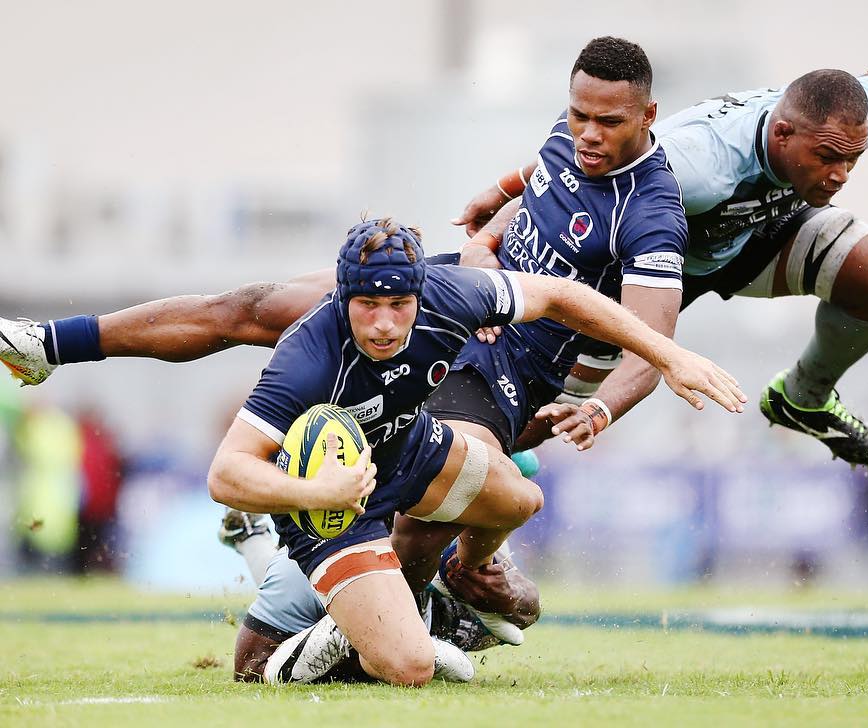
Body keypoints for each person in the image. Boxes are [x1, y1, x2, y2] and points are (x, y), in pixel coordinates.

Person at [0, 38, 745, 599]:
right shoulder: (572, 134)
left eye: (607, 124)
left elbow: (652, 348)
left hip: (515, 372)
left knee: (423, 513)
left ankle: (414, 604)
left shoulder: (651, 216)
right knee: (253, 306)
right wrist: (487, 229)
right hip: (457, 288)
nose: (586, 134)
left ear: (648, 117)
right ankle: (47, 346)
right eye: (577, 114)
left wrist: (602, 412)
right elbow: (537, 197)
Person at [203, 216, 742, 686]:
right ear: (342, 298)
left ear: (421, 293)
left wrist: (667, 355)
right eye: (367, 305)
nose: (385, 323)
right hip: (333, 504)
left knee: (522, 499)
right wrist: (318, 490)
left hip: (409, 451)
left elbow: (562, 295)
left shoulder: (450, 295)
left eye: (399, 304)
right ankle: (345, 633)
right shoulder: (308, 356)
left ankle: (460, 578)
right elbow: (226, 473)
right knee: (403, 668)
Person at [455, 68, 868, 467]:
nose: (841, 175)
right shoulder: (694, 163)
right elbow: (586, 158)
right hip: (650, 263)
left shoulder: (854, 110)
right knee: (533, 420)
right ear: (783, 133)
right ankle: (469, 497)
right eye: (826, 159)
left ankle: (805, 397)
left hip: (750, 239)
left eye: (853, 158)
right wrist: (497, 206)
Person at [220, 510, 541, 683]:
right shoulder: (304, 569)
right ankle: (250, 536)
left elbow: (528, 609)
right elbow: (249, 666)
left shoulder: (451, 537)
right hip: (318, 599)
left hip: (432, 614)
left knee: (498, 622)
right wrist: (364, 655)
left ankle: (247, 533)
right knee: (301, 603)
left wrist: (507, 597)